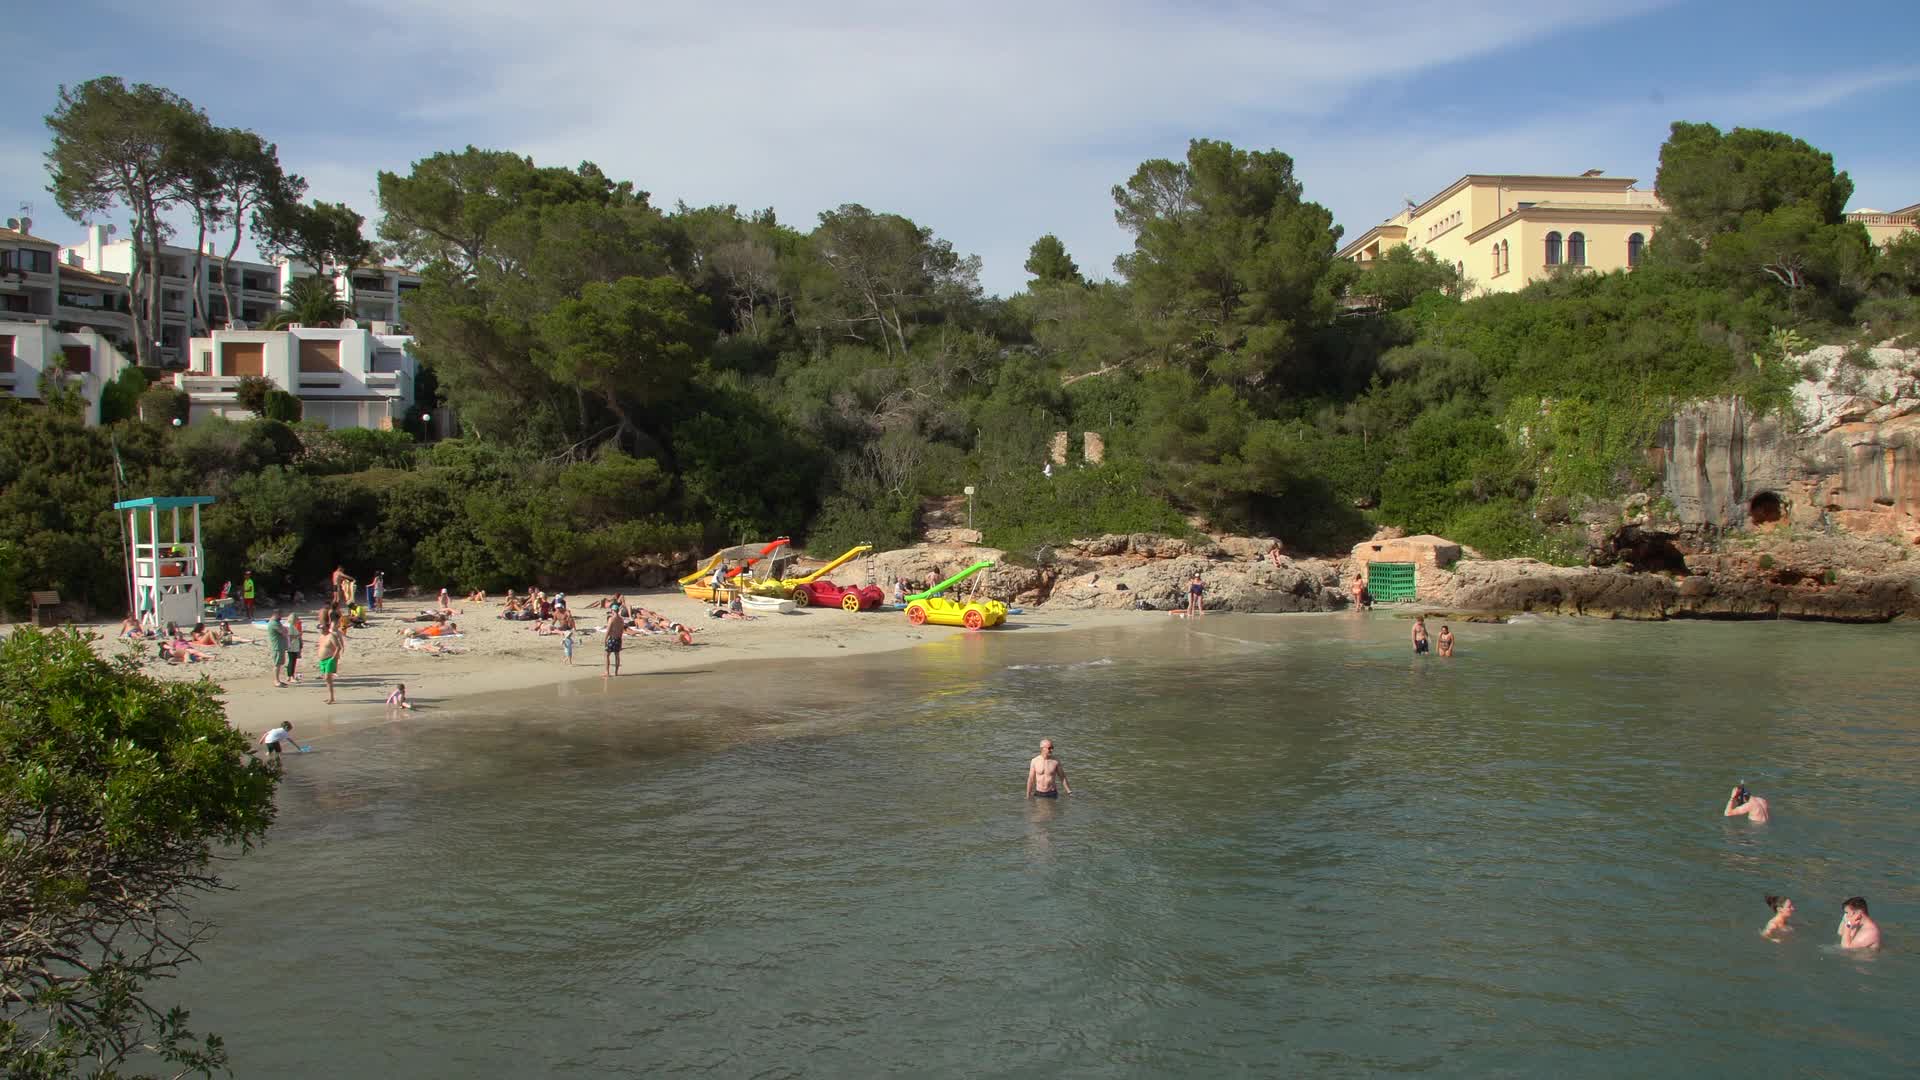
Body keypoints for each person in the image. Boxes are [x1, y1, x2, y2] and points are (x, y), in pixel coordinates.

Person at [317, 626, 343, 705]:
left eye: (322, 628)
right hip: (322, 660)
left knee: (328, 677)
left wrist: (333, 658)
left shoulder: (331, 636)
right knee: (326, 679)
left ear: (327, 628)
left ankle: (331, 698)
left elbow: (338, 647)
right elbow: (320, 646)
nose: (321, 630)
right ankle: (331, 697)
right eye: (319, 628)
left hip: (329, 659)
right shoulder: (321, 636)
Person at [267, 612, 289, 686]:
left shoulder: (277, 622)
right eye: (280, 615)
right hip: (277, 647)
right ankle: (276, 681)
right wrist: (285, 630)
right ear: (276, 615)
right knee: (277, 664)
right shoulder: (274, 623)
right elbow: (283, 632)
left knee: (279, 664)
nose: (281, 617)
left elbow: (284, 630)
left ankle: (278, 680)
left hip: (280, 646)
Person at [604, 608, 627, 677]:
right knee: (617, 656)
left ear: (612, 610)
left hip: (612, 638)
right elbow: (621, 631)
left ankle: (607, 672)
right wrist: (621, 640)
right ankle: (616, 672)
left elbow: (608, 630)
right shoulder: (621, 619)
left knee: (607, 655)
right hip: (618, 638)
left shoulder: (611, 619)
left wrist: (605, 639)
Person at [287, 614, 304, 681]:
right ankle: (291, 676)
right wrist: (298, 635)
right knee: (292, 661)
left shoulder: (290, 626)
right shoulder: (291, 626)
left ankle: (289, 676)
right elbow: (290, 637)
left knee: (291, 661)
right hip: (292, 646)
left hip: (292, 646)